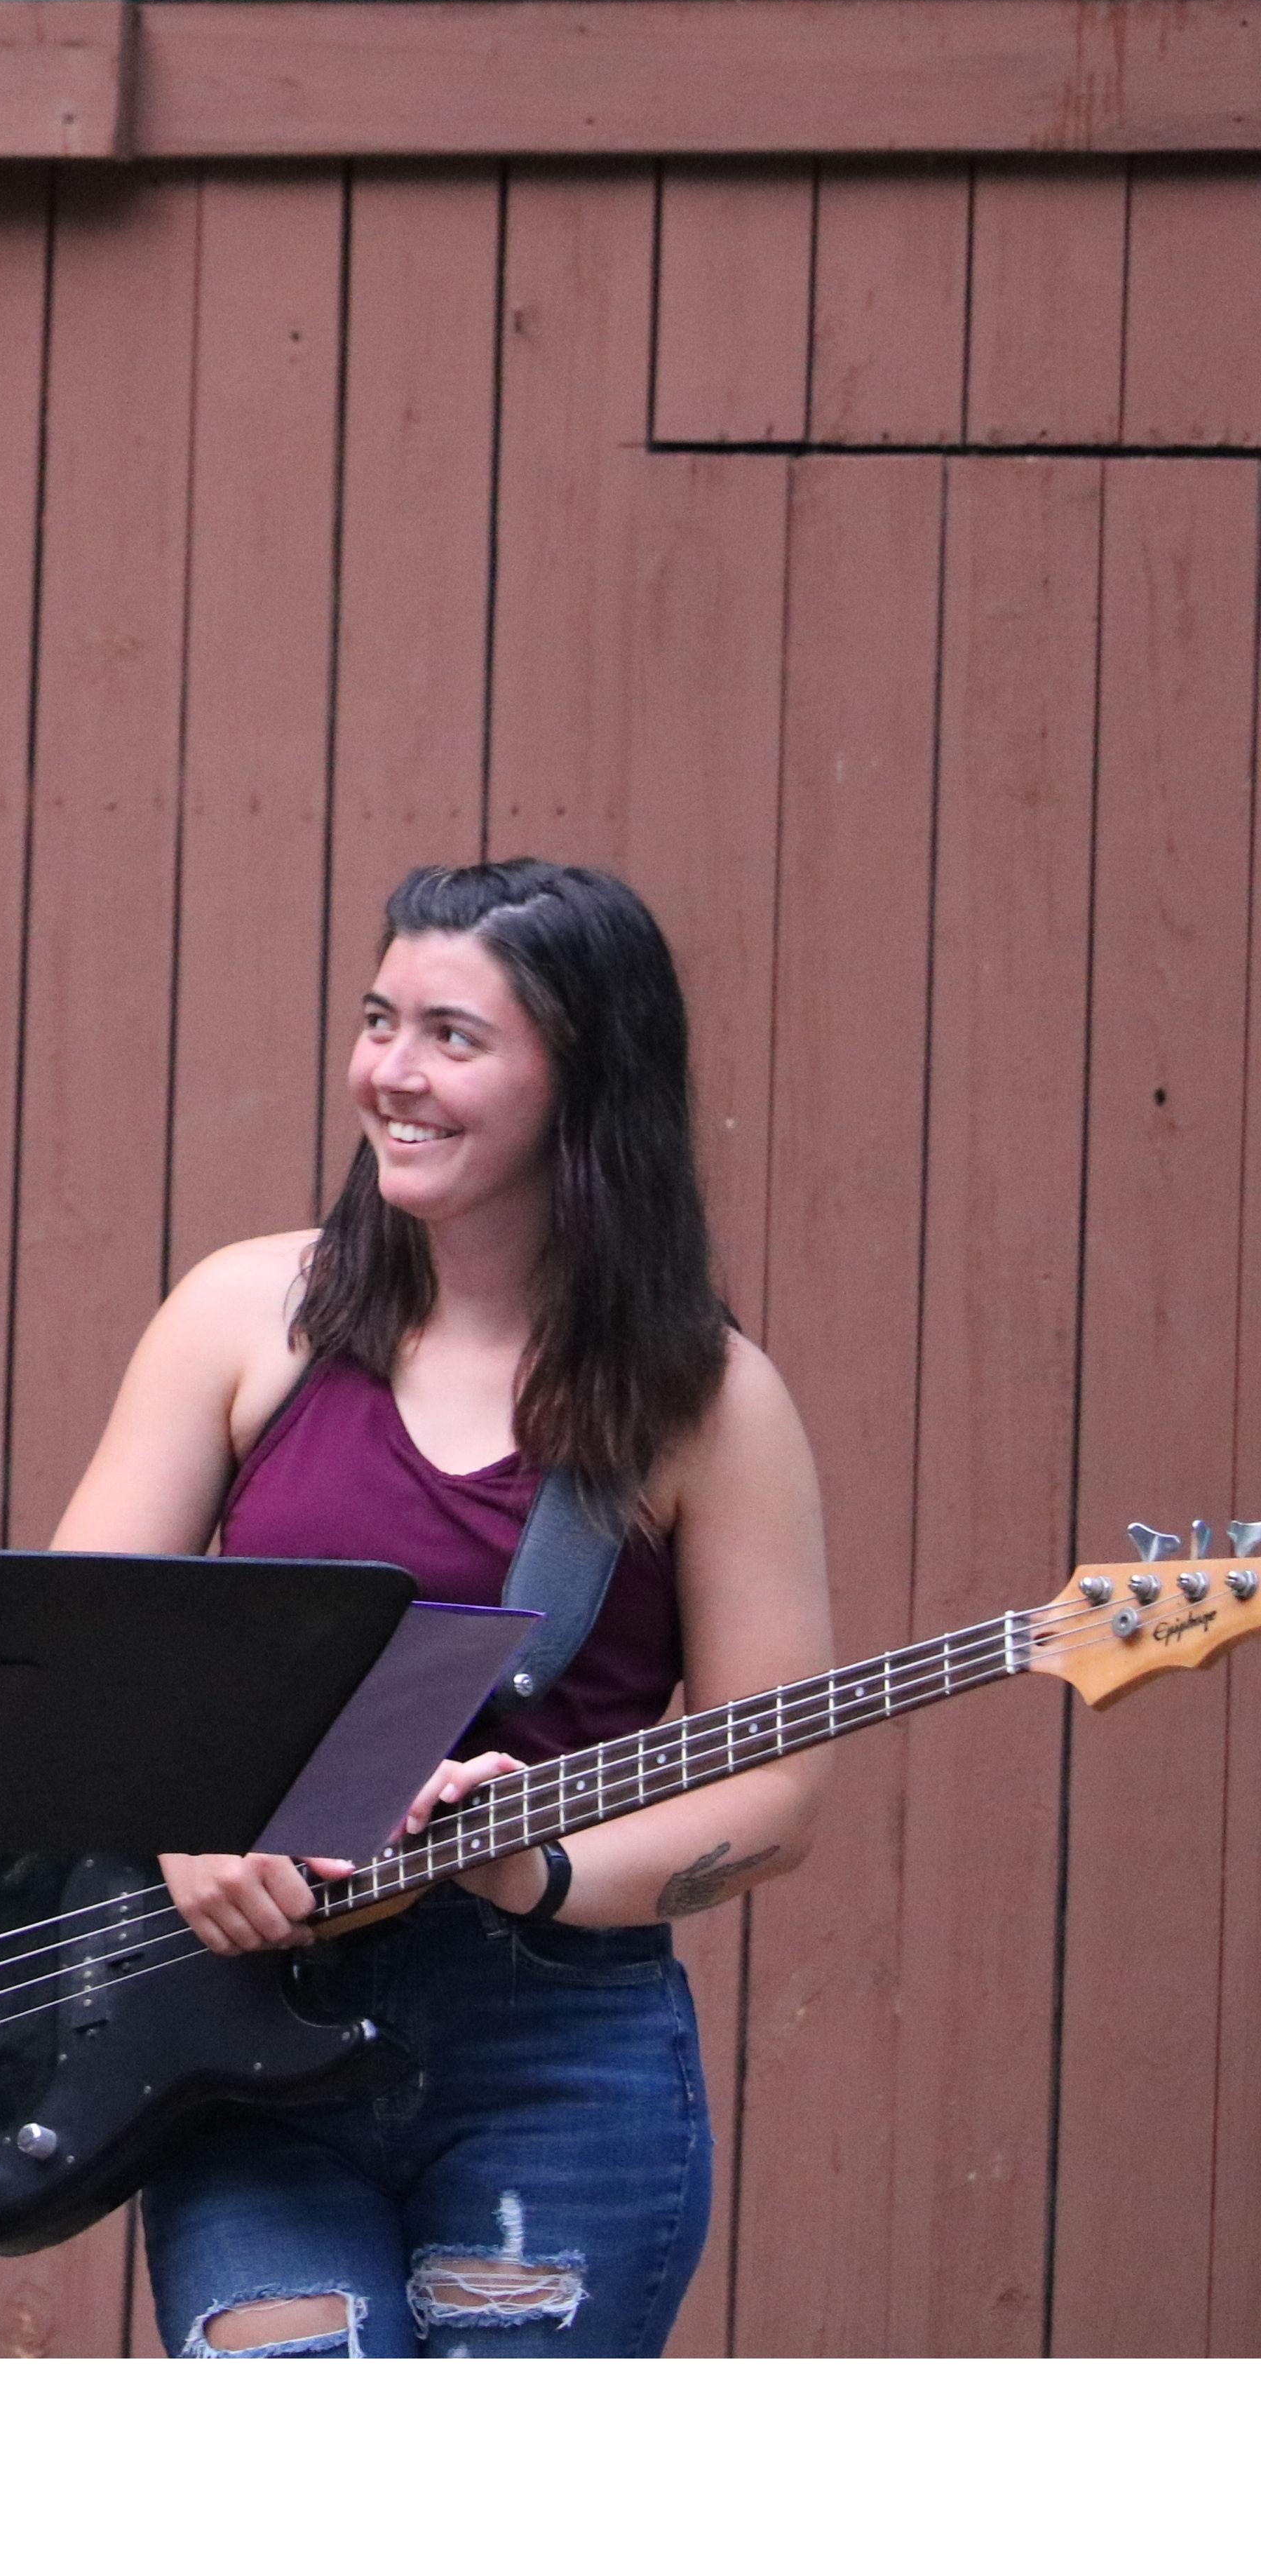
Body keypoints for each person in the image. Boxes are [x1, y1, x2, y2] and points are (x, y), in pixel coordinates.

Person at [47, 859, 835, 2358]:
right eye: (377, 1020)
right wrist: (188, 1823)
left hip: (561, 2056)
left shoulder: (713, 1403)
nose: (390, 1075)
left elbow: (780, 1787)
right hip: (236, 2033)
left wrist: (529, 1861)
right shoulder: (245, 1311)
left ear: (586, 1079)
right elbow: (79, 1655)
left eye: (453, 1037)